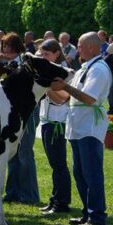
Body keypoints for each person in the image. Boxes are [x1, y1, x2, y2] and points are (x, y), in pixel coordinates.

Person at [51, 31, 111, 225]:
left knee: (91, 173)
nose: (78, 49)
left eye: (80, 45)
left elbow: (89, 98)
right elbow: (69, 98)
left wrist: (65, 88)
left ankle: (97, 216)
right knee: (80, 172)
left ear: (92, 48)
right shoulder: (85, 67)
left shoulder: (99, 69)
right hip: (78, 127)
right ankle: (87, 213)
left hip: (89, 128)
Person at [2, 32, 40, 204]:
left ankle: (29, 195)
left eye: (9, 45)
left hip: (27, 112)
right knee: (13, 154)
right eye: (4, 46)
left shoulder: (25, 64)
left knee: (24, 153)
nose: (5, 49)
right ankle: (12, 192)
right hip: (12, 112)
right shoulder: (7, 65)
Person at [37, 39, 71, 215]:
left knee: (59, 164)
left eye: (47, 54)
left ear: (57, 54)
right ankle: (55, 199)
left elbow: (63, 98)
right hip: (47, 120)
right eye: (41, 54)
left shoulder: (63, 71)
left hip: (57, 122)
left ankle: (62, 202)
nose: (43, 57)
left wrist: (44, 84)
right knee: (54, 164)